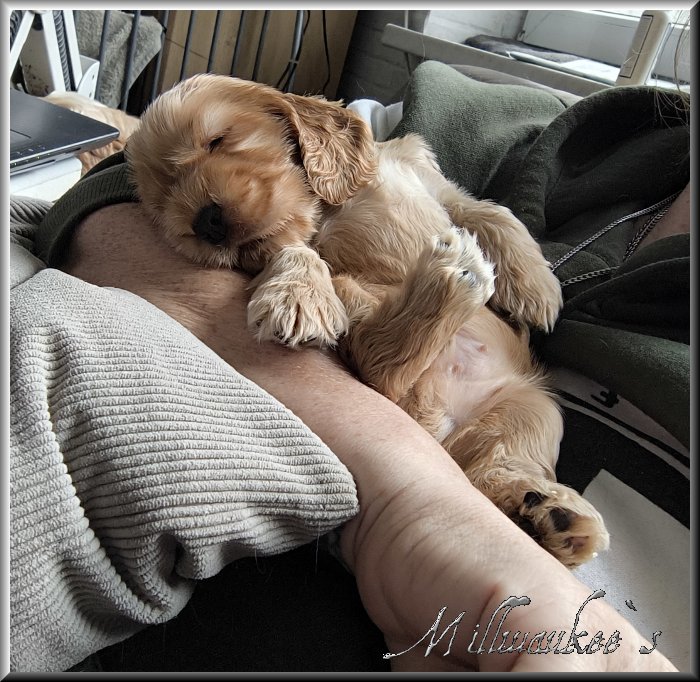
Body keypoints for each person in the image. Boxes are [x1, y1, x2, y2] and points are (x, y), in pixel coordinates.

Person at [27, 63, 687, 673]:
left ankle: (511, 486)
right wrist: (405, 493)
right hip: (367, 401)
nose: (199, 198)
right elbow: (103, 200)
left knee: (534, 415)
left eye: (219, 144)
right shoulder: (526, 132)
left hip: (494, 431)